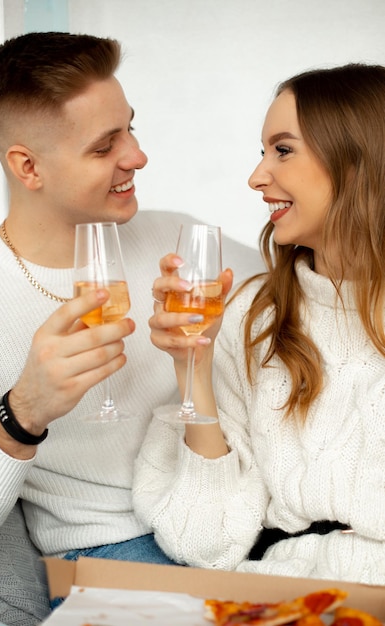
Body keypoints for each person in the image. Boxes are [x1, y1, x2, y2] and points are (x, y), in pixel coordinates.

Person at [0, 31, 263, 622]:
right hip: (111, 557)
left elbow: (318, 296)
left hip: (235, 525)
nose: (137, 156)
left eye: (132, 128)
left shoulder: (176, 238)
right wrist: (22, 412)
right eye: (106, 147)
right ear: (27, 166)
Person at [133, 63, 385, 586]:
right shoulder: (257, 319)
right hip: (281, 597)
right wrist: (193, 370)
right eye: (262, 150)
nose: (256, 177)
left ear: (359, 161)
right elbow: (205, 544)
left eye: (283, 150)